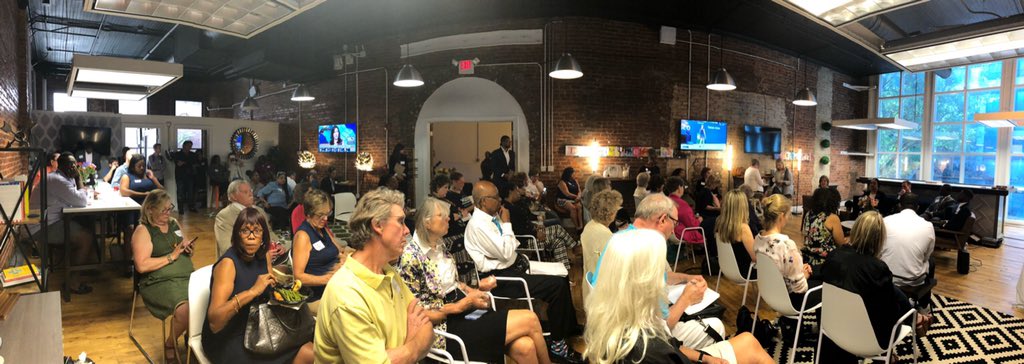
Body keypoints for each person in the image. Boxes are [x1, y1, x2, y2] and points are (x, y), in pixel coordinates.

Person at [585, 228, 774, 364]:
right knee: (748, 345)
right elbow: (667, 347)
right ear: (643, 281)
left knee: (748, 340)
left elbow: (671, 344)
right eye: (657, 273)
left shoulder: (616, 319)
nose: (662, 280)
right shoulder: (649, 350)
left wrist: (704, 357)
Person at [399, 197, 552, 363]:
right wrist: (460, 306)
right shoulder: (410, 257)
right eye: (441, 215)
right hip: (443, 328)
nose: (448, 218)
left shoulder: (439, 245)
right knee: (530, 319)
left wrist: (475, 291)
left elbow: (453, 284)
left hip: (464, 312)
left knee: (526, 346)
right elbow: (417, 313)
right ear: (427, 223)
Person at [463, 181, 584, 363]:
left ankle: (568, 327)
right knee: (557, 286)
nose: (499, 201)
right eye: (495, 198)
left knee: (563, 275)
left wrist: (506, 234)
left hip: (515, 267)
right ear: (482, 202)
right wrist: (507, 224)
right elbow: (505, 252)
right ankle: (558, 345)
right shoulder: (478, 225)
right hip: (502, 279)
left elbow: (510, 247)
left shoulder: (490, 217)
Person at [589, 194, 724, 350]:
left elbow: (661, 277)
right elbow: (663, 325)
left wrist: (686, 278)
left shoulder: (620, 238)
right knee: (715, 325)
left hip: (610, 330)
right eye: (675, 222)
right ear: (662, 220)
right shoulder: (647, 249)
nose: (674, 229)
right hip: (635, 341)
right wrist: (686, 299)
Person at [313, 189, 433, 363]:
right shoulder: (347, 295)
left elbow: (426, 325)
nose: (407, 230)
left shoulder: (387, 271)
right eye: (401, 222)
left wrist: (403, 353)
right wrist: (412, 347)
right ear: (378, 225)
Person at [202, 207, 314, 364]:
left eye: (257, 231)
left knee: (309, 350)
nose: (251, 237)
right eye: (245, 231)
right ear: (237, 235)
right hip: (229, 336)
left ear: (263, 237)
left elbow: (269, 292)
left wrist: (285, 293)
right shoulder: (228, 264)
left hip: (258, 326)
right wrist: (252, 292)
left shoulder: (264, 256)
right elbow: (215, 323)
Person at [819, 211, 917, 363]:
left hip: (833, 328)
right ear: (879, 239)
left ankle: (914, 315)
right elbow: (889, 311)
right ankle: (914, 317)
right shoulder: (877, 268)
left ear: (855, 230)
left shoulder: (834, 256)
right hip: (869, 340)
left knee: (892, 291)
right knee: (895, 297)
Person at [131, 190, 194, 362]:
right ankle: (170, 344)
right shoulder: (143, 230)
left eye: (169, 208)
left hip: (185, 276)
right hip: (157, 281)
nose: (168, 213)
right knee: (185, 309)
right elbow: (142, 266)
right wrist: (171, 257)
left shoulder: (173, 223)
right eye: (163, 210)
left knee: (207, 299)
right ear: (150, 209)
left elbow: (182, 244)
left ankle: (192, 336)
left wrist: (187, 248)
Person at [30, 152, 96, 297]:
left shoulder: (62, 178)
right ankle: (73, 282)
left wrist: (78, 187)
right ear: (60, 165)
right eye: (70, 164)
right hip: (41, 226)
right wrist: (79, 178)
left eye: (74, 164)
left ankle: (85, 264)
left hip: (49, 221)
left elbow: (75, 198)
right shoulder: (57, 180)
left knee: (86, 224)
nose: (73, 167)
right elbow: (81, 201)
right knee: (86, 237)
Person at [754, 194, 821, 310]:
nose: (789, 218)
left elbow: (779, 268)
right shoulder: (786, 245)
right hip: (791, 300)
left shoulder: (758, 239)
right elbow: (800, 288)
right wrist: (805, 275)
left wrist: (799, 270)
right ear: (781, 216)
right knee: (826, 285)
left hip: (771, 293)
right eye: (788, 214)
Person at [880, 193, 936, 311]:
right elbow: (926, 256)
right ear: (918, 207)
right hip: (912, 280)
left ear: (899, 206)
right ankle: (924, 304)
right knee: (931, 261)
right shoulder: (928, 226)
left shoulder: (885, 221)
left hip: (885, 275)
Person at [506, 180, 578, 270]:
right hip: (525, 241)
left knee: (559, 242)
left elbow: (526, 223)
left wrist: (536, 227)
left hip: (531, 235)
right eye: (516, 190)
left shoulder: (514, 206)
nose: (518, 193)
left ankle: (564, 275)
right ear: (510, 192)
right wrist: (536, 233)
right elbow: (518, 230)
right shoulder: (508, 210)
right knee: (558, 228)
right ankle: (575, 247)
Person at [292, 188, 344, 311]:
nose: (325, 219)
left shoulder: (322, 229)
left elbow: (340, 250)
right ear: (309, 214)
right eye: (321, 215)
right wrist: (328, 279)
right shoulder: (303, 236)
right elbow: (298, 277)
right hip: (316, 296)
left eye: (328, 214)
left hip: (333, 288)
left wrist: (344, 260)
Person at [215, 180, 285, 258]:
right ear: (233, 196)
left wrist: (277, 244)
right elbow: (227, 247)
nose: (250, 194)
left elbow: (269, 232)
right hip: (239, 262)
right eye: (245, 192)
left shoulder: (260, 211)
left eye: (251, 191)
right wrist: (260, 256)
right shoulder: (225, 216)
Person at [581, 189, 621, 302]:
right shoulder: (605, 235)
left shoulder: (590, 226)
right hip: (604, 293)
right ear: (611, 213)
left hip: (591, 288)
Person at [802, 187, 847, 273]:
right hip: (825, 264)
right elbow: (841, 244)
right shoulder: (832, 218)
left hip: (807, 260)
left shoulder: (808, 214)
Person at [715, 189, 757, 280]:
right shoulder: (743, 228)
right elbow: (755, 258)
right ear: (743, 207)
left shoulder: (720, 223)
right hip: (745, 271)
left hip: (728, 268)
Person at [665, 176, 704, 248]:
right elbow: (692, 224)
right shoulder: (681, 204)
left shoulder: (665, 200)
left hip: (669, 232)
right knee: (708, 229)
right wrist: (699, 220)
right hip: (680, 233)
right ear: (679, 187)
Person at [171, 140, 200, 213]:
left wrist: (184, 163)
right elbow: (178, 164)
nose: (190, 147)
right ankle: (181, 208)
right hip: (180, 176)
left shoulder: (192, 154)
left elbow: (196, 164)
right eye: (188, 146)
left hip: (190, 176)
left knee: (190, 193)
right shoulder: (178, 154)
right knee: (181, 193)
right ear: (184, 146)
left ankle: (191, 207)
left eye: (191, 146)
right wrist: (188, 163)